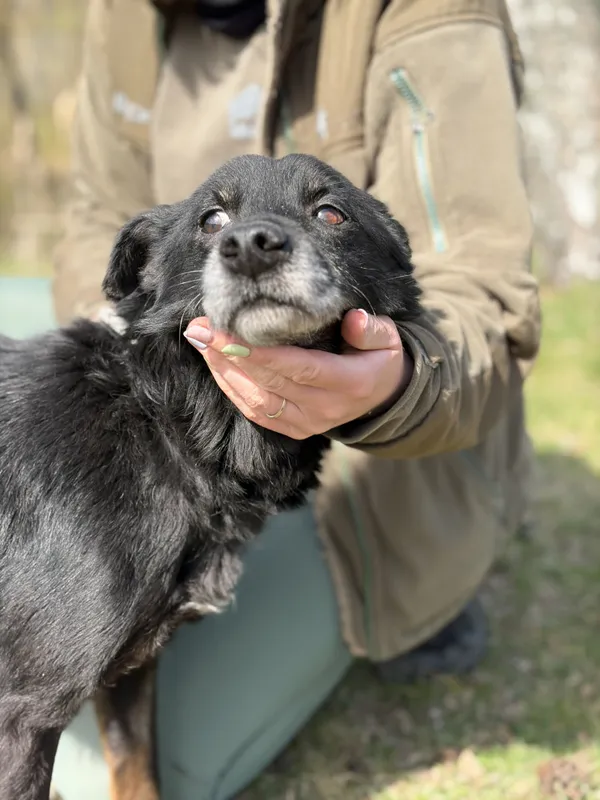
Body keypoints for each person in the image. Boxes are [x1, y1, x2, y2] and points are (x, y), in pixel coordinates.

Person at [48, 0, 541, 798]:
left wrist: (391, 387)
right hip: (173, 406)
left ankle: (427, 592)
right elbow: (96, 223)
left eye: (320, 213)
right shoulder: (123, 11)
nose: (249, 243)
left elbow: (481, 292)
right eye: (219, 226)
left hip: (368, 470)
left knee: (144, 764)